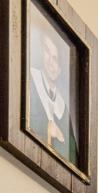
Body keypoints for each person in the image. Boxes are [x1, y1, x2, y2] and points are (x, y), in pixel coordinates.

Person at [27, 20, 78, 165]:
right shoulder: (31, 79)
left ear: (60, 69)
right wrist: (47, 129)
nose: (51, 62)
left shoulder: (63, 107)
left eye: (55, 59)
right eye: (47, 52)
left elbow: (71, 155)